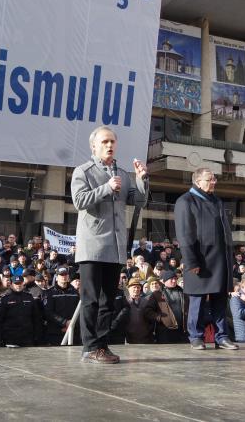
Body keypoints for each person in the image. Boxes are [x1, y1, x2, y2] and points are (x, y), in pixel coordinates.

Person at [71, 125, 149, 363]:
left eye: (113, 142)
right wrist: (106, 188)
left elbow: (140, 201)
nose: (110, 145)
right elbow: (79, 200)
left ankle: (102, 345)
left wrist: (141, 179)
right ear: (94, 145)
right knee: (91, 300)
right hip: (92, 247)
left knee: (108, 301)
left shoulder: (123, 175)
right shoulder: (83, 171)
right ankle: (89, 346)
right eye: (105, 141)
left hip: (115, 248)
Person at [174, 167, 238, 351]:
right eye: (210, 179)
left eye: (214, 179)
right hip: (200, 260)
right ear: (197, 181)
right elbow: (185, 234)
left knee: (220, 300)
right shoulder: (185, 201)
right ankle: (196, 336)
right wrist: (191, 261)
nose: (214, 182)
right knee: (197, 301)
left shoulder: (217, 200)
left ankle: (222, 336)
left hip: (220, 260)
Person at [0, 275, 42, 347]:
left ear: (23, 284)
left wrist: (36, 335)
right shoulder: (5, 299)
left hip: (27, 337)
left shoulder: (29, 297)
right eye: (16, 283)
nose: (18, 285)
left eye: (20, 283)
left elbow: (36, 318)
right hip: (10, 337)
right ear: (11, 285)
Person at [42, 266, 80, 346]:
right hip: (55, 332)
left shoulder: (75, 292)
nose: (64, 277)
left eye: (66, 274)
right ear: (56, 277)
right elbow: (48, 313)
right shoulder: (50, 293)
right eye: (61, 275)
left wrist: (72, 324)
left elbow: (80, 311)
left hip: (73, 330)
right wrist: (65, 322)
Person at [151, 270, 187, 343]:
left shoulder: (183, 292)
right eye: (171, 279)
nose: (174, 281)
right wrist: (160, 318)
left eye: (175, 279)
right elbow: (148, 311)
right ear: (165, 281)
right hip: (164, 331)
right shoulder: (157, 294)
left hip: (181, 331)